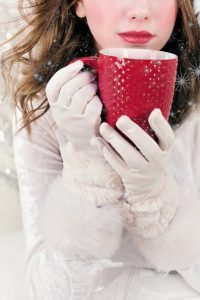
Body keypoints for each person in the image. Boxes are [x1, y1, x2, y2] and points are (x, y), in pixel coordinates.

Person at [1, 0, 200, 299]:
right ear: (78, 4)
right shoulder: (42, 108)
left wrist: (153, 196)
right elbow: (45, 292)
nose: (140, 10)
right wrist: (87, 164)